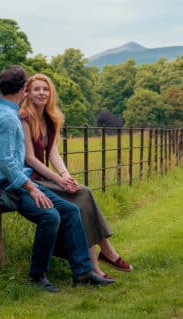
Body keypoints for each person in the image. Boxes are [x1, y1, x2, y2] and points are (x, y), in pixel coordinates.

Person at [0, 65, 113, 292]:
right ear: (24, 89)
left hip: (19, 181)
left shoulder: (0, 108)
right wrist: (32, 188)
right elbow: (6, 162)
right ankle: (37, 275)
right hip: (6, 185)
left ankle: (83, 273)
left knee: (71, 211)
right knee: (50, 216)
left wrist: (52, 179)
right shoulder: (7, 118)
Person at [19, 73, 133, 280]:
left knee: (82, 193)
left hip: (47, 177)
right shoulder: (25, 118)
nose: (42, 93)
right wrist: (58, 180)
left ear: (50, 93)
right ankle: (104, 255)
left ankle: (97, 262)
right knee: (83, 196)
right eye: (36, 89)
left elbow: (52, 153)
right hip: (31, 179)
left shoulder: (51, 119)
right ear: (27, 93)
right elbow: (30, 159)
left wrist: (66, 176)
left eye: (45, 89)